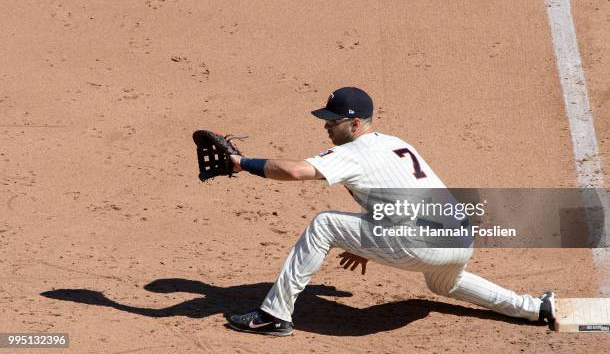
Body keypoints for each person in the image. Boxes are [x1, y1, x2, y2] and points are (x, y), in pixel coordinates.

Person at [225, 86, 555, 336]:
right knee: (443, 285)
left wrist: (242, 163)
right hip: (459, 239)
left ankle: (273, 315)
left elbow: (295, 171)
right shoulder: (397, 144)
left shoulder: (355, 151)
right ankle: (532, 308)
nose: (326, 126)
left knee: (324, 224)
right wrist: (367, 243)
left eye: (333, 121)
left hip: (420, 243)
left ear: (355, 124)